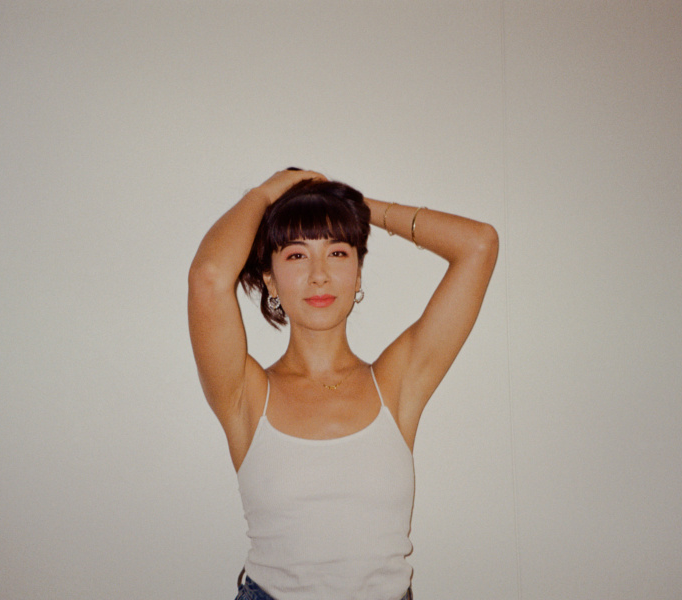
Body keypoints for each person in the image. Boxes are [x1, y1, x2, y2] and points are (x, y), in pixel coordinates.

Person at [188, 168, 498, 600]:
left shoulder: (396, 384)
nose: (319, 274)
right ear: (270, 280)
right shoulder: (245, 393)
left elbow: (479, 244)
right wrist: (264, 193)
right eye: (297, 255)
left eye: (337, 252)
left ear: (357, 274)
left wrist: (351, 206)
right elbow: (208, 277)